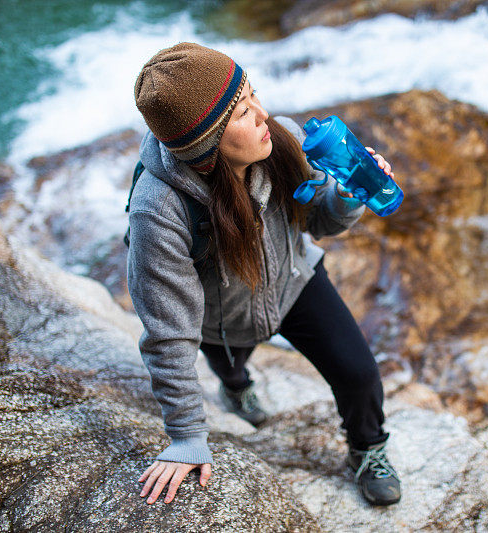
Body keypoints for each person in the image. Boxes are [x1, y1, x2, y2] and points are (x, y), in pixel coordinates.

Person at [127, 42, 401, 508]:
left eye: (254, 94)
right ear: (206, 144)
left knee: (358, 373)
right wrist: (187, 436)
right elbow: (168, 333)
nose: (264, 115)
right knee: (230, 367)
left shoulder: (283, 140)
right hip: (220, 318)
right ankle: (237, 391)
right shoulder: (158, 210)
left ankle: (368, 448)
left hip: (294, 282)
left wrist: (352, 195)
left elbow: (320, 222)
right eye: (242, 113)